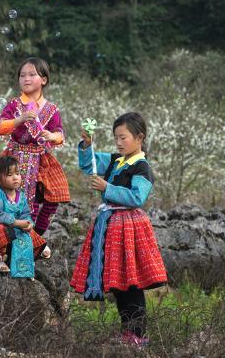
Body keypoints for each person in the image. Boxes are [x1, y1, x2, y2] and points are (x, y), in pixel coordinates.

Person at [69, 112, 167, 347]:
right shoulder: (116, 160)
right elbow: (88, 164)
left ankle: (138, 334)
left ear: (139, 137)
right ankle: (127, 332)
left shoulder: (142, 168)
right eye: (116, 138)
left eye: (124, 138)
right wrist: (86, 145)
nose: (119, 143)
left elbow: (137, 196)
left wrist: (107, 187)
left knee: (131, 283)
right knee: (120, 283)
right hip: (111, 227)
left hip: (129, 227)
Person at [0, 57, 70, 236]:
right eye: (22, 75)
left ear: (43, 80)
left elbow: (60, 134)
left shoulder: (51, 109)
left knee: (52, 197)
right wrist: (19, 119)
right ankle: (8, 236)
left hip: (40, 160)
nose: (26, 79)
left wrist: (52, 136)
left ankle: (37, 234)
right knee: (9, 195)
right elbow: (0, 127)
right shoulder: (14, 105)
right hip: (15, 157)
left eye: (31, 74)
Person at [0, 156, 51, 278]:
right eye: (9, 175)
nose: (15, 177)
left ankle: (23, 265)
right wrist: (18, 223)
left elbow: (25, 214)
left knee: (26, 231)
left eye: (17, 173)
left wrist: (28, 223)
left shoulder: (21, 196)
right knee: (1, 229)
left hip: (12, 226)